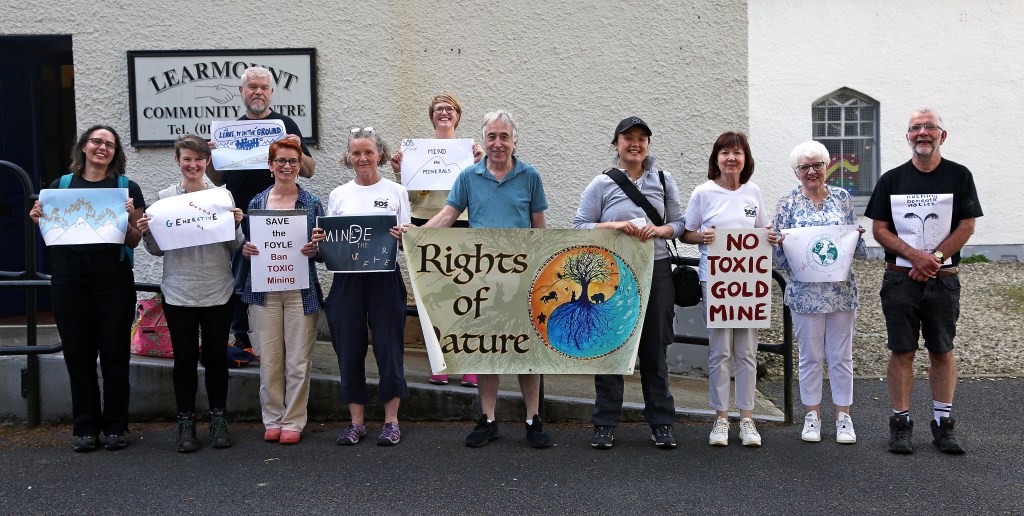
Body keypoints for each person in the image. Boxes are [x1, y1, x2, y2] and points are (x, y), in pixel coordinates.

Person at [424, 110, 553, 449]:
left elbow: (540, 230)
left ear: (514, 141)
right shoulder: (468, 176)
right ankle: (489, 419)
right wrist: (415, 236)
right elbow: (448, 216)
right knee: (487, 349)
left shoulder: (531, 177)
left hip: (522, 279)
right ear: (483, 141)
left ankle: (532, 418)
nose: (498, 144)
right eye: (492, 137)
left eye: (504, 137)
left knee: (525, 350)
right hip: (481, 280)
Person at [865, 109, 983, 455]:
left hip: (943, 280)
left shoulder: (959, 177)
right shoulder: (891, 180)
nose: (922, 133)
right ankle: (900, 424)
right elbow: (879, 229)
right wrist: (915, 256)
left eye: (929, 127)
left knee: (942, 350)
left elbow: (966, 226)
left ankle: (943, 425)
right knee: (901, 350)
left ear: (941, 135)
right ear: (908, 137)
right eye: (915, 128)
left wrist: (933, 259)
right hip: (901, 279)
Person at [28, 125, 145, 452]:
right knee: (78, 354)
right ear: (83, 147)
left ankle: (116, 427)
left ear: (115, 152)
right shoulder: (60, 187)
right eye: (97, 141)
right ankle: (85, 428)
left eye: (109, 144)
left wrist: (126, 221)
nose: (102, 148)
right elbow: (55, 237)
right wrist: (40, 220)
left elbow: (136, 240)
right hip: (70, 279)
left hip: (113, 279)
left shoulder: (126, 187)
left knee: (115, 354)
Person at [572, 117, 684, 449]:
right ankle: (605, 422)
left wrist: (658, 230)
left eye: (642, 138)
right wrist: (616, 225)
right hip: (613, 275)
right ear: (616, 144)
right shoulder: (601, 183)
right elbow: (579, 226)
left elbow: (679, 224)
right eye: (628, 138)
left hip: (658, 270)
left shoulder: (664, 180)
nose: (635, 143)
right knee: (611, 345)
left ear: (648, 144)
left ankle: (661, 422)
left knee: (655, 348)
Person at [137, 135, 245, 453]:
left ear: (207, 162)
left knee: (215, 359)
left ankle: (218, 419)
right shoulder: (164, 200)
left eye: (199, 159)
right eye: (186, 159)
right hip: (178, 290)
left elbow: (234, 245)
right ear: (177, 161)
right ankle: (185, 422)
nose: (193, 165)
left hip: (217, 289)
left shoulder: (222, 197)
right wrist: (146, 233)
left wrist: (237, 224)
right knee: (183, 360)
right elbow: (157, 251)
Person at [205, 66, 316, 352]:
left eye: (263, 87)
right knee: (242, 279)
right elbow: (219, 180)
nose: (258, 92)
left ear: (271, 93)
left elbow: (310, 171)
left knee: (283, 273)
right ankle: (243, 336)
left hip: (283, 216)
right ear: (242, 92)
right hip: (243, 216)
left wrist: (298, 149)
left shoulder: (285, 125)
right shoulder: (230, 131)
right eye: (252, 86)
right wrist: (214, 157)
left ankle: (284, 335)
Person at [314, 127, 412, 446]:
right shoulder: (339, 194)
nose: (362, 158)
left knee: (389, 347)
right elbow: (336, 241)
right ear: (348, 157)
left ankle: (391, 421)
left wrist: (403, 235)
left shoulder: (396, 191)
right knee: (349, 348)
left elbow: (406, 241)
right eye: (356, 152)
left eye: (368, 151)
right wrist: (322, 241)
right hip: (347, 279)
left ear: (379, 154)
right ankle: (356, 422)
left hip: (385, 277)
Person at [770, 140, 867, 444]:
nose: (811, 171)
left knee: (841, 356)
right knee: (810, 356)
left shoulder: (842, 198)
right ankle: (811, 415)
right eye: (804, 167)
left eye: (817, 165)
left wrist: (856, 236)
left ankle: (843, 416)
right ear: (796, 172)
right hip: (804, 293)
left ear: (827, 167)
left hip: (841, 292)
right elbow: (778, 259)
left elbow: (859, 251)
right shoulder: (786, 203)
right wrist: (776, 242)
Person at [390, 93, 482, 388]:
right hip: (424, 223)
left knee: (466, 294)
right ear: (432, 116)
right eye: (438, 109)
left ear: (458, 115)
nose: (444, 113)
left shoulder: (472, 151)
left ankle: (470, 364)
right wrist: (398, 170)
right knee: (433, 296)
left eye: (450, 109)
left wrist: (480, 164)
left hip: (463, 223)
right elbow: (411, 195)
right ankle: (439, 363)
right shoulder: (417, 151)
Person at [681, 131, 767, 447]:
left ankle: (747, 418)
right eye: (725, 152)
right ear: (716, 158)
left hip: (748, 282)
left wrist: (769, 237)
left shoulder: (753, 192)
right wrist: (701, 237)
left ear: (746, 159)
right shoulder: (703, 193)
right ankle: (720, 417)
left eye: (737, 152)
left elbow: (761, 232)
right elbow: (686, 233)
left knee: (746, 352)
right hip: (715, 280)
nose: (731, 158)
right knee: (721, 351)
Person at [241, 138, 324, 445]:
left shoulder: (313, 203)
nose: (287, 166)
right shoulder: (256, 203)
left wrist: (316, 249)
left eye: (293, 161)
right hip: (264, 291)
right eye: (281, 161)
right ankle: (273, 417)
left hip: (301, 291)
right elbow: (249, 245)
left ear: (299, 165)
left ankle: (293, 419)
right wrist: (246, 250)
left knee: (298, 359)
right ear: (270, 165)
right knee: (269, 358)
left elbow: (323, 252)